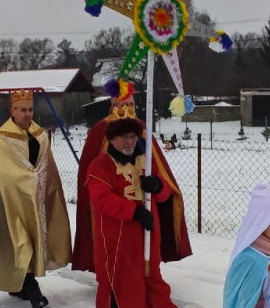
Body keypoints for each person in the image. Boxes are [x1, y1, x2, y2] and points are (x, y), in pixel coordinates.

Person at [86, 115, 196, 308]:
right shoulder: (100, 166)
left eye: (133, 137)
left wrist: (157, 186)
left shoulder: (146, 162)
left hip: (146, 233)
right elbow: (102, 199)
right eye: (124, 137)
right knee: (114, 277)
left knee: (152, 276)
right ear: (112, 139)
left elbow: (164, 194)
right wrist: (133, 212)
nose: (129, 142)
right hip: (116, 235)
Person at [73, 78, 191, 273]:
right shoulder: (99, 132)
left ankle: (146, 268)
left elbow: (158, 167)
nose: (127, 109)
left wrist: (158, 186)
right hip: (116, 201)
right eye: (122, 105)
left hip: (144, 197)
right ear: (112, 107)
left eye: (130, 104)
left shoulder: (143, 129)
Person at [0, 90, 71, 308]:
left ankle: (19, 286)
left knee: (31, 242)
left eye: (30, 109)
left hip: (36, 200)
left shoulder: (40, 134)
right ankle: (35, 293)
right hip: (12, 201)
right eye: (22, 110)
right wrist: (27, 179)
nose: (27, 114)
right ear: (12, 111)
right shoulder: (2, 139)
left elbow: (47, 166)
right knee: (21, 242)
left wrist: (43, 184)